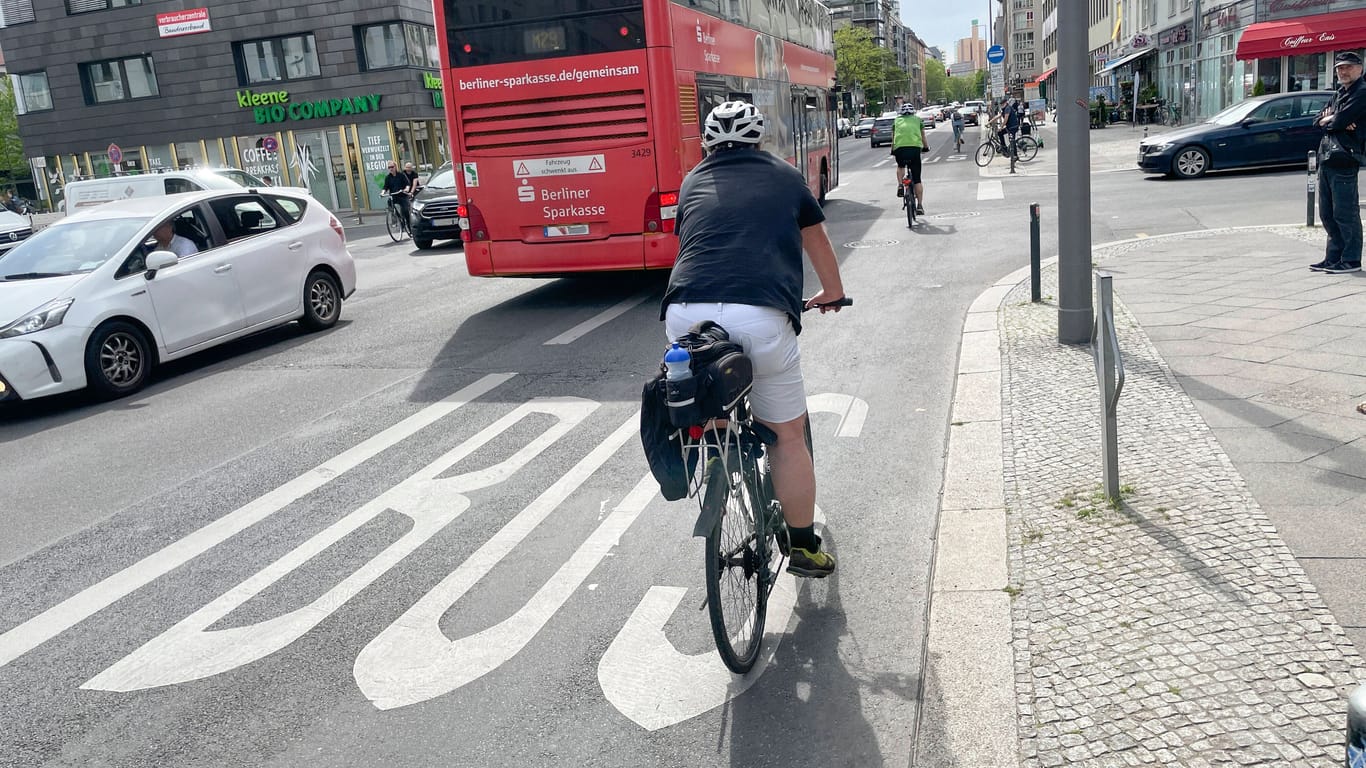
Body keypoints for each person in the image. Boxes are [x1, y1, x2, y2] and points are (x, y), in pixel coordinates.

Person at [661, 100, 846, 578]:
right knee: (787, 434)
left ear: (707, 143)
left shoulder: (692, 180)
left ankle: (723, 447)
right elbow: (817, 240)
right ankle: (802, 546)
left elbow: (691, 239)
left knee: (718, 408)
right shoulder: (786, 177)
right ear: (760, 139)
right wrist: (833, 292)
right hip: (759, 314)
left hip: (686, 314)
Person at [1310, 51, 1366, 274]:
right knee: (1327, 212)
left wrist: (1335, 118)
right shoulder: (1340, 92)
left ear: (1360, 68)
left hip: (1345, 157)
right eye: (1340, 68)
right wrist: (1331, 119)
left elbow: (1340, 120)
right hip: (1327, 156)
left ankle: (1351, 260)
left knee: (1345, 212)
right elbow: (1317, 121)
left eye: (1348, 67)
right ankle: (1333, 257)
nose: (1343, 71)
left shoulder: (1361, 92)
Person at [891, 102, 927, 215]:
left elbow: (893, 137)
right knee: (917, 179)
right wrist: (926, 147)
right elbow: (923, 136)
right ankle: (920, 206)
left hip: (900, 149)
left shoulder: (896, 121)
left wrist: (893, 149)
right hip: (915, 149)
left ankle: (900, 184)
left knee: (900, 166)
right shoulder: (918, 120)